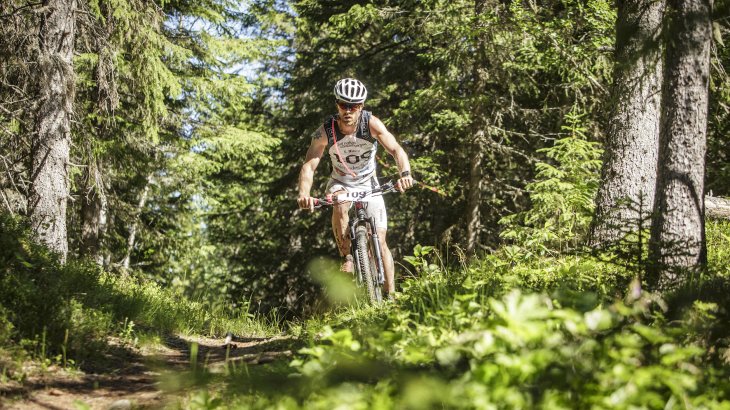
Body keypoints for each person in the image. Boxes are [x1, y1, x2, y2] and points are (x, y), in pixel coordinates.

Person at [297, 78, 414, 297]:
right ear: (337, 104)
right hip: (341, 183)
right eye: (344, 104)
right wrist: (304, 194)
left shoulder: (371, 124)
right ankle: (348, 257)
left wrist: (405, 174)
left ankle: (391, 295)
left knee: (379, 240)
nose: (348, 110)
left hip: (369, 183)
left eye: (354, 106)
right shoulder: (325, 131)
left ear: (361, 106)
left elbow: (396, 150)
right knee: (339, 203)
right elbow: (309, 165)